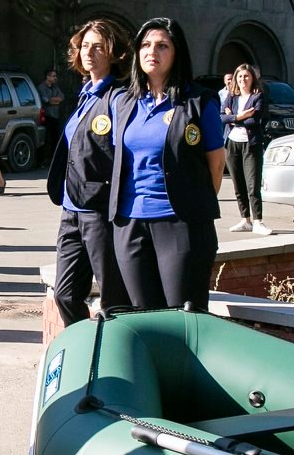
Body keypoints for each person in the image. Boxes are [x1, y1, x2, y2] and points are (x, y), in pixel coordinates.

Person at [108, 16, 225, 310]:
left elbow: (216, 165)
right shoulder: (123, 102)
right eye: (145, 45)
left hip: (180, 224)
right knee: (143, 314)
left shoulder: (199, 102)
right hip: (130, 223)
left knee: (181, 314)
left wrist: (192, 205)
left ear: (177, 53)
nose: (152, 52)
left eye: (162, 46)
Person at [46, 19, 130, 325]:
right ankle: (83, 344)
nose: (89, 53)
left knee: (113, 298)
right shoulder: (86, 94)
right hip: (71, 209)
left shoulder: (119, 97)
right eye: (84, 46)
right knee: (65, 294)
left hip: (99, 211)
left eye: (98, 47)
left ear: (114, 53)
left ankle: (112, 350)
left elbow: (124, 154)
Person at [223, 63, 271, 236]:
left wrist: (232, 117)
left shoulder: (258, 96)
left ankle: (258, 221)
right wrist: (239, 116)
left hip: (251, 144)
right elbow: (221, 117)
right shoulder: (231, 96)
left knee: (253, 184)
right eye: (240, 76)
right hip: (232, 143)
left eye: (246, 76)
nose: (243, 79)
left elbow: (254, 120)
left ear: (252, 78)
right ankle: (245, 219)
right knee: (238, 184)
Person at [39, 67, 66, 166]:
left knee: (56, 138)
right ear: (48, 77)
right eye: (53, 76)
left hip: (55, 117)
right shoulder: (42, 88)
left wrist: (53, 100)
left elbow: (62, 97)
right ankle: (43, 160)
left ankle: (54, 160)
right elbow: (46, 100)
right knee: (46, 139)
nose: (55, 78)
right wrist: (54, 101)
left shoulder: (55, 87)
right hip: (47, 117)